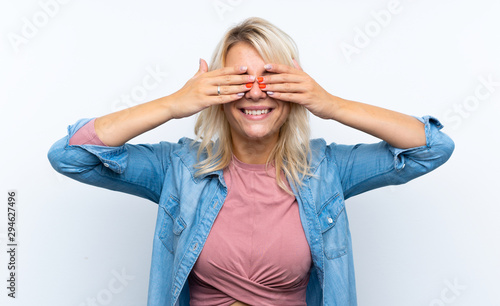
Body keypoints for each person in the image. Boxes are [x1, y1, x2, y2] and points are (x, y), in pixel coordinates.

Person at [48, 17, 454, 306]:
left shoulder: (325, 170)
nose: (255, 94)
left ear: (294, 91)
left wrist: (329, 104)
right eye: (239, 81)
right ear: (216, 92)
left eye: (271, 80)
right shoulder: (179, 168)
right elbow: (71, 155)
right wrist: (174, 104)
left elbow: (431, 147)